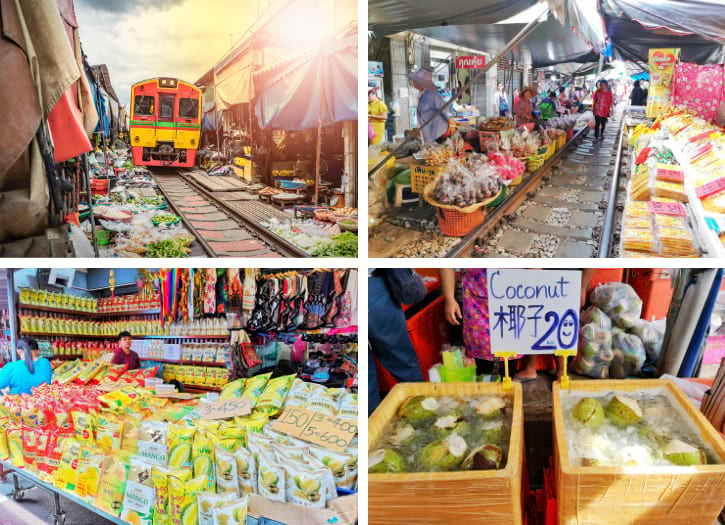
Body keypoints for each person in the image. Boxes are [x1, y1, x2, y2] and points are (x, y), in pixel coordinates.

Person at [368, 269, 424, 415]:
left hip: (337, 289)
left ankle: (373, 426)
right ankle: (422, 408)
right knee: (401, 359)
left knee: (360, 370)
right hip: (371, 287)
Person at [408, 67, 454, 144]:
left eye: (414, 81)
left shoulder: (432, 95)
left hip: (439, 134)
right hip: (429, 133)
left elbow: (445, 108)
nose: (413, 83)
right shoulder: (422, 95)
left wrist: (452, 123)